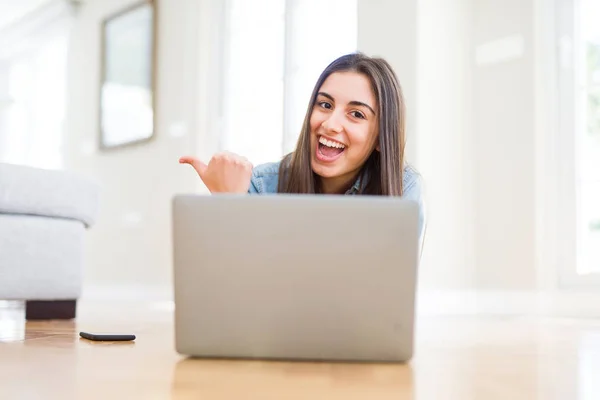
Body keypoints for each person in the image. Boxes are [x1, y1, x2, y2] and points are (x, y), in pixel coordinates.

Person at [179, 52, 426, 245]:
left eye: (356, 114)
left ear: (382, 138)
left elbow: (382, 289)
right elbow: (237, 286)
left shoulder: (401, 188)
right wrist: (228, 204)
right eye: (325, 105)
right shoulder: (262, 186)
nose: (330, 124)